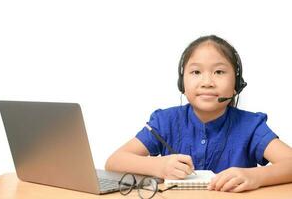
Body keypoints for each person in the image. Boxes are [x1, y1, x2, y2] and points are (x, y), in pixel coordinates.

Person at [105, 35, 292, 192]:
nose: (207, 82)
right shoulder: (165, 121)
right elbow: (114, 161)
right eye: (196, 72)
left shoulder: (250, 126)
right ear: (182, 84)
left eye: (219, 72)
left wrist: (255, 176)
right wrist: (159, 166)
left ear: (236, 84)